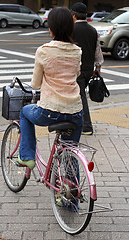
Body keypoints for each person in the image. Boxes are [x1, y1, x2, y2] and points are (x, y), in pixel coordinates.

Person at [17, 7, 83, 170]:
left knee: (25, 113)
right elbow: (77, 73)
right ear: (70, 27)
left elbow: (36, 84)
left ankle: (27, 156)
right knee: (70, 152)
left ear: (51, 28)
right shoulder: (77, 51)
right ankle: (71, 190)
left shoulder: (44, 51)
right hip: (76, 112)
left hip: (50, 111)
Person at [71, 2, 104, 135]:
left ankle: (86, 126)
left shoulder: (70, 30)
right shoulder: (93, 31)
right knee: (79, 95)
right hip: (89, 69)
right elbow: (98, 52)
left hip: (75, 69)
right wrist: (98, 68)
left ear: (73, 15)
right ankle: (76, 122)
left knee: (80, 96)